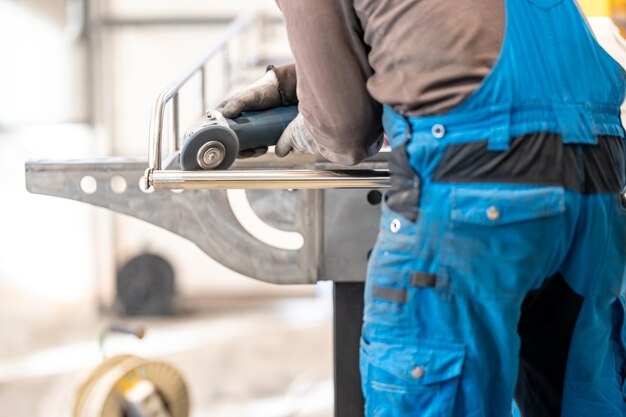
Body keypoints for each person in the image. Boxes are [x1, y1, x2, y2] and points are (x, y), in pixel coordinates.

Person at [218, 0, 626, 415]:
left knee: (429, 392)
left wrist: (315, 118)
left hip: (475, 183)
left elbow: (345, 130)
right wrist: (297, 81)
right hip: (599, 168)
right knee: (581, 398)